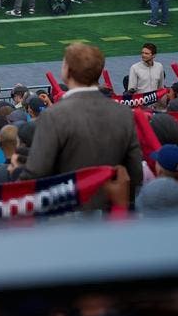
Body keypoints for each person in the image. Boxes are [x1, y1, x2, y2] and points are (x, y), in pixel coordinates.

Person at [27, 42, 145, 204]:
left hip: (68, 211)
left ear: (67, 71)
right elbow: (135, 173)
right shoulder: (123, 113)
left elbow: (36, 172)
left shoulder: (54, 115)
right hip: (111, 212)